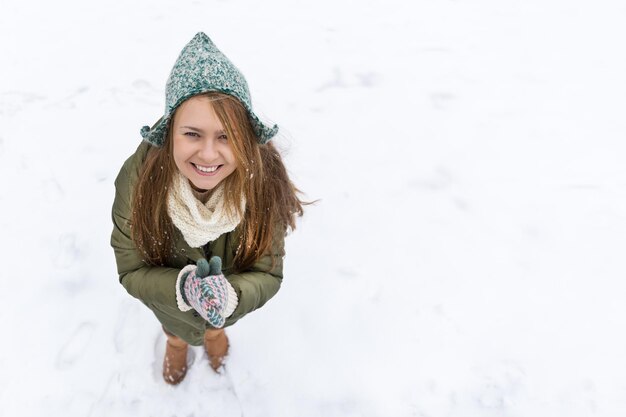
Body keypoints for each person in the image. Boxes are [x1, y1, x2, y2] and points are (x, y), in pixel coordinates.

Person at [110, 32, 305, 385]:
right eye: (192, 134)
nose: (209, 155)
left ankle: (215, 336)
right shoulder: (138, 181)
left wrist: (232, 298)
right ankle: (175, 342)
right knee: (174, 327)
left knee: (216, 327)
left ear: (245, 137)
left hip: (225, 310)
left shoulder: (261, 183)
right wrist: (182, 289)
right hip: (170, 305)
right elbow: (131, 269)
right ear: (170, 133)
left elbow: (268, 272)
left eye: (226, 136)